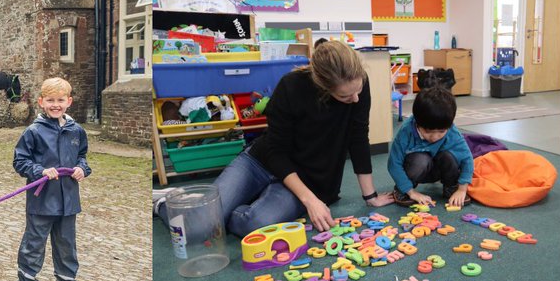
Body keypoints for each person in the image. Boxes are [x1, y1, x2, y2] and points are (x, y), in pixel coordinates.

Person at [154, 41, 395, 240]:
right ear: (323, 86)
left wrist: (370, 196)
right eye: (345, 95)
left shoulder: (357, 84)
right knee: (197, 229)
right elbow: (276, 151)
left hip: (307, 178)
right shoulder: (291, 86)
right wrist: (309, 200)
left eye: (357, 91)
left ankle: (212, 206)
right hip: (262, 162)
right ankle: (165, 203)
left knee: (254, 225)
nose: (355, 99)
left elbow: (358, 136)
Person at [12, 77, 91, 281]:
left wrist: (82, 169)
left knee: (67, 248)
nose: (55, 105)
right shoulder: (33, 131)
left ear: (69, 101)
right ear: (41, 102)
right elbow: (20, 161)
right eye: (50, 100)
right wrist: (40, 171)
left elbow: (83, 157)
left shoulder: (77, 131)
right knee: (33, 247)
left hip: (69, 203)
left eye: (60, 100)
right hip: (41, 202)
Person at [386, 86, 473, 208]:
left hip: (438, 169)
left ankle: (450, 187)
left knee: (449, 156)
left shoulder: (452, 131)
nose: (435, 137)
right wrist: (411, 192)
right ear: (417, 122)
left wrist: (462, 190)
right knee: (421, 160)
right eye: (428, 131)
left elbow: (467, 159)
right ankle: (402, 190)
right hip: (417, 170)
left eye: (441, 131)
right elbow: (393, 164)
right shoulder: (406, 132)